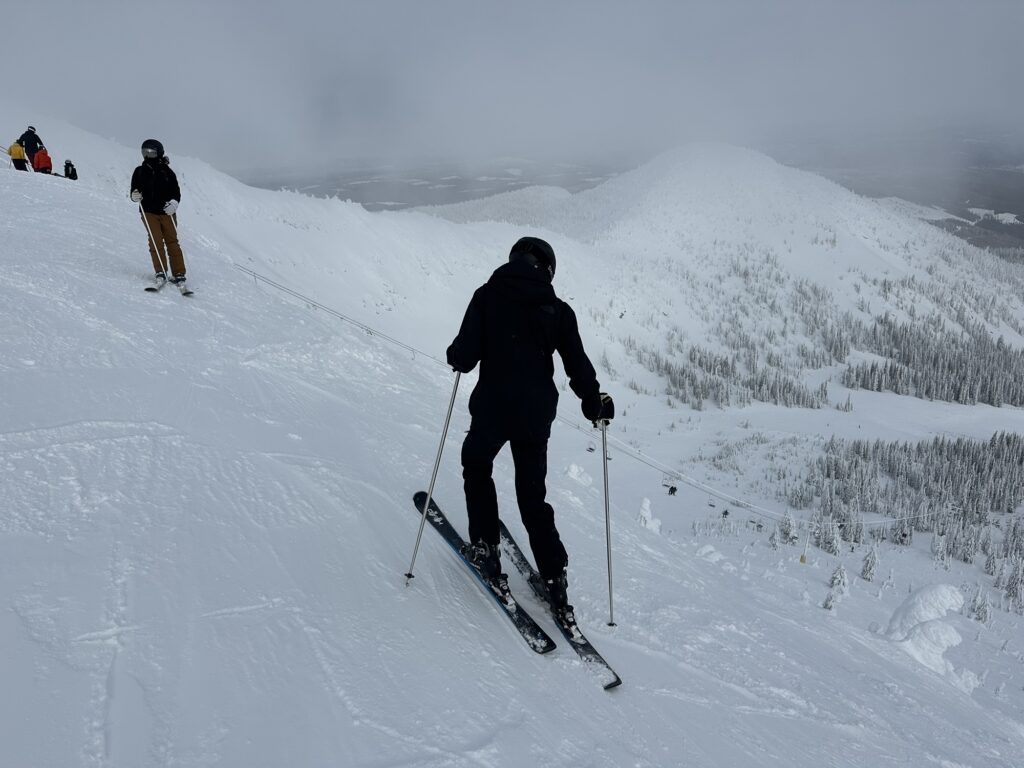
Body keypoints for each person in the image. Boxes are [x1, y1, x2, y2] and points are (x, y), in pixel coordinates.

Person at [446, 236, 614, 622]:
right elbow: (577, 365)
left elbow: (465, 356)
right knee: (532, 496)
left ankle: (486, 548)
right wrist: (594, 402)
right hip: (536, 415)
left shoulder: (486, 296)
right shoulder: (557, 310)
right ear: (548, 270)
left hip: (493, 408)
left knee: (476, 465)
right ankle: (554, 577)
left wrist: (456, 355)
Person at [129, 138, 187, 286]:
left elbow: (176, 192)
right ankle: (160, 271)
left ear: (159, 153)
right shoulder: (139, 171)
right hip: (148, 211)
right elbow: (134, 189)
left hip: (167, 211)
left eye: (151, 152)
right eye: (145, 152)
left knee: (172, 241)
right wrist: (134, 195)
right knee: (155, 241)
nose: (148, 155)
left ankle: (179, 273)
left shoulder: (167, 172)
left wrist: (174, 203)